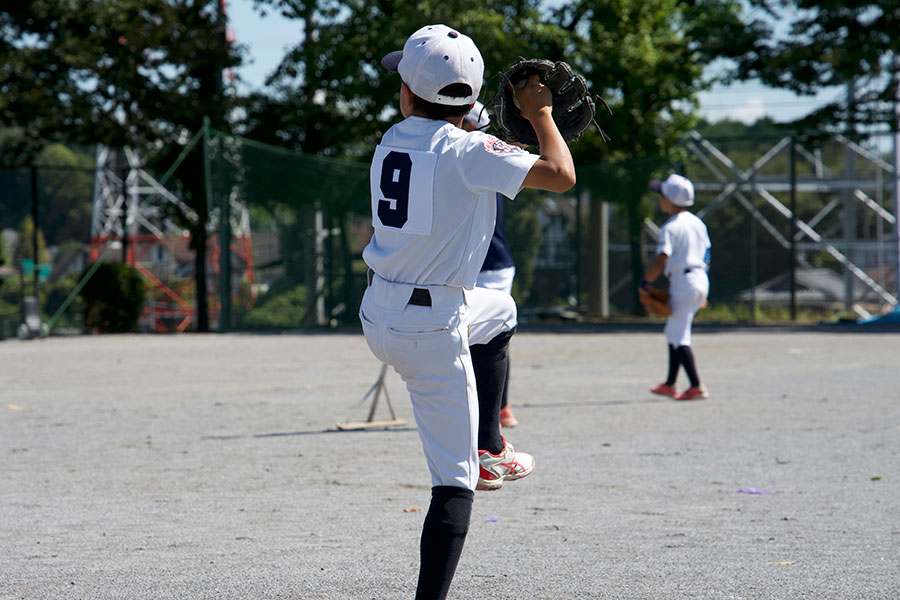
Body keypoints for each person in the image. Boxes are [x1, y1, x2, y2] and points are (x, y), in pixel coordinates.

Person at [359, 24, 575, 600]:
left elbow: (445, 134)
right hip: (429, 329)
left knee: (499, 309)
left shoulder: (394, 137)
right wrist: (540, 115)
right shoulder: (471, 152)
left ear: (408, 95)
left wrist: (473, 117)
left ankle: (492, 449)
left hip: (381, 310)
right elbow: (561, 174)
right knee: (452, 489)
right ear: (471, 98)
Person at [462, 101, 519, 428]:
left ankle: (500, 409)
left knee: (488, 334)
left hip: (491, 263)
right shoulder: (475, 153)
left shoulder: (475, 155)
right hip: (474, 261)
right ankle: (488, 409)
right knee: (473, 337)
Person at [641, 174, 711, 401]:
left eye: (662, 195)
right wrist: (701, 290)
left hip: (684, 281)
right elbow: (707, 254)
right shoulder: (697, 223)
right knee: (673, 331)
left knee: (680, 335)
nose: (660, 199)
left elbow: (662, 257)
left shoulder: (671, 226)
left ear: (669, 200)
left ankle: (697, 386)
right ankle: (670, 383)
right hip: (700, 278)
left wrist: (646, 282)